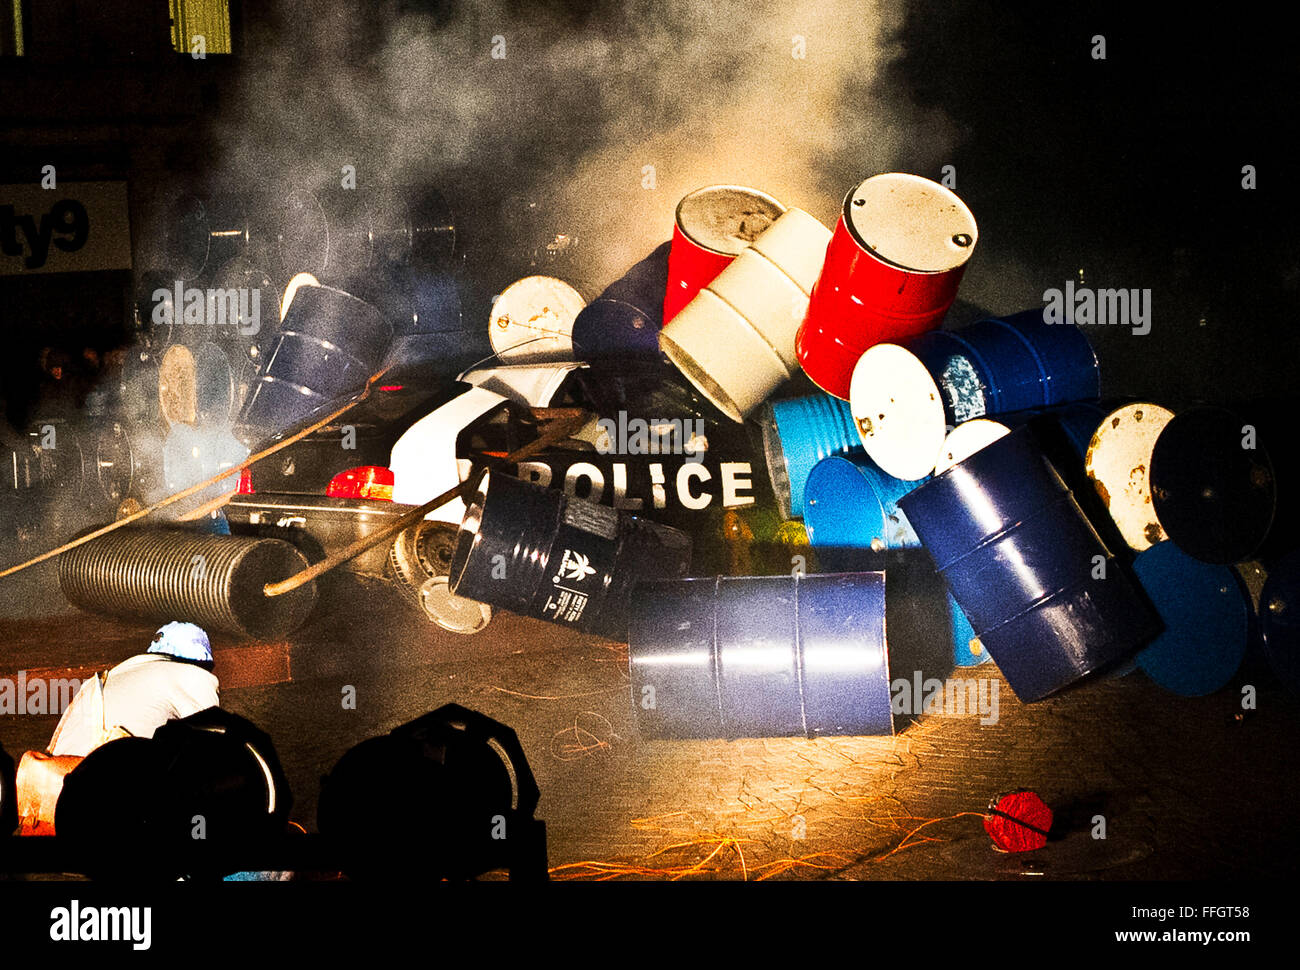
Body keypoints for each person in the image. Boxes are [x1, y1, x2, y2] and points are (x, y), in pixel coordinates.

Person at [48, 621, 221, 757]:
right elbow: (213, 744)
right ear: (199, 662)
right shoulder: (191, 674)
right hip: (100, 782)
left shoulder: (106, 678)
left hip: (59, 778)